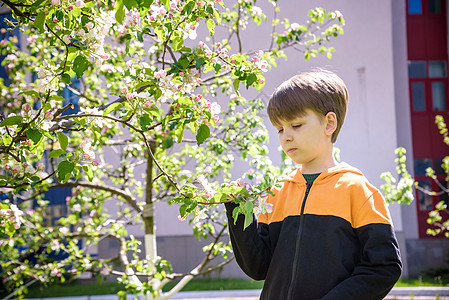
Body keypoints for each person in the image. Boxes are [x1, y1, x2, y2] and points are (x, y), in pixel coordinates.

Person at [225, 70, 402, 300]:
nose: (285, 136)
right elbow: (258, 268)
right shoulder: (277, 192)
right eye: (280, 129)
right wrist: (237, 209)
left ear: (329, 123)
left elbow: (384, 267)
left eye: (296, 125)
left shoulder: (357, 190)